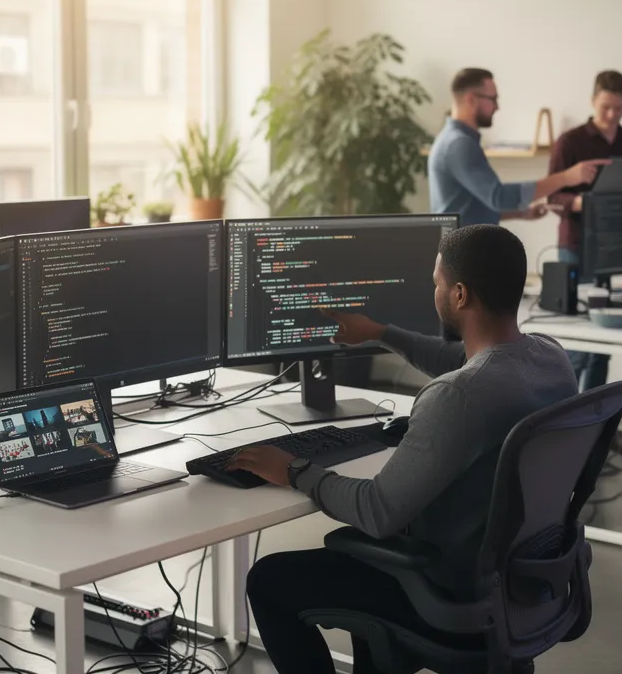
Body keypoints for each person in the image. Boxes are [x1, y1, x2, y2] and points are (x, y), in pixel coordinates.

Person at [228, 225, 577, 674]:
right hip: (521, 584)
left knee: (270, 580)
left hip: (445, 593)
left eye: (437, 283)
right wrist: (381, 332)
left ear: (459, 295)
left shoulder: (458, 396)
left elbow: (377, 511)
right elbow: (464, 358)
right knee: (357, 558)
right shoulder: (551, 358)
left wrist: (294, 469)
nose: (433, 290)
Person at [547, 70, 622, 391]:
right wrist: (583, 203)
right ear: (593, 100)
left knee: (603, 347)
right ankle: (563, 424)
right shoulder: (570, 142)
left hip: (612, 248)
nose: (612, 115)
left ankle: (596, 423)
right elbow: (552, 198)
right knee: (577, 346)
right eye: (606, 107)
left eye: (619, 108)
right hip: (575, 246)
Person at [428, 68, 606, 226]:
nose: (497, 106)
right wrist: (566, 178)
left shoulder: (456, 140)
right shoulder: (459, 144)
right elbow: (499, 197)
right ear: (471, 99)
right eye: (493, 99)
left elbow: (472, 205)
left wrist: (521, 213)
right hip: (462, 255)